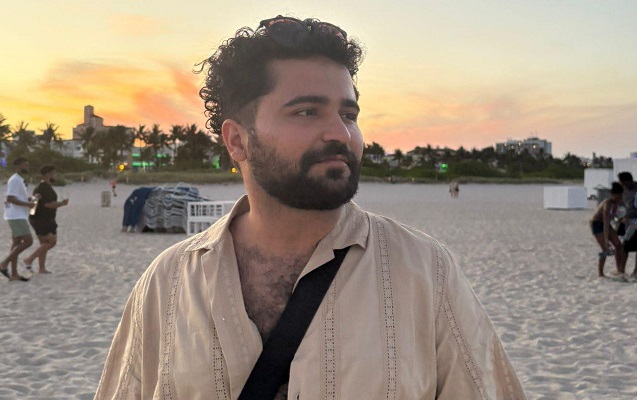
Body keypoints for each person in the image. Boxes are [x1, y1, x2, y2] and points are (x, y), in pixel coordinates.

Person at [95, 16, 526, 399]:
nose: (341, 133)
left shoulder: (425, 272)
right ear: (237, 140)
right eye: (307, 112)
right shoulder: (168, 284)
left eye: (349, 114)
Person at [22, 165, 69, 274]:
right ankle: (29, 259)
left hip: (41, 218)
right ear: (48, 174)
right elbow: (48, 204)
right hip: (42, 219)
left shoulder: (42, 186)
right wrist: (62, 203)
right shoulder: (43, 188)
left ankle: (41, 268)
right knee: (51, 242)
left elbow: (35, 201)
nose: (54, 175)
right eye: (53, 173)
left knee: (44, 243)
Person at [0, 157, 37, 282]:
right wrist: (27, 204)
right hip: (16, 216)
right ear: (18, 166)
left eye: (27, 164)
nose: (27, 167)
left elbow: (16, 197)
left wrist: (29, 199)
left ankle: (14, 274)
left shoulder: (19, 180)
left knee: (16, 244)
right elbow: (10, 198)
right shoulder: (15, 179)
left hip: (17, 214)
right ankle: (4, 263)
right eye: (25, 164)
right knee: (28, 241)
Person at [590, 182, 626, 278]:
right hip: (597, 224)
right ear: (612, 194)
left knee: (618, 245)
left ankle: (619, 270)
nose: (619, 198)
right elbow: (605, 222)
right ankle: (601, 273)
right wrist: (606, 240)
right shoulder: (607, 203)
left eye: (620, 196)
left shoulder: (621, 203)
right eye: (617, 196)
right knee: (605, 249)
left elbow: (619, 219)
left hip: (607, 224)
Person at [618, 172, 637, 278]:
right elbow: (621, 205)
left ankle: (635, 271)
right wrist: (621, 217)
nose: (623, 185)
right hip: (627, 222)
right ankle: (622, 270)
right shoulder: (623, 190)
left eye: (624, 183)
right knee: (625, 246)